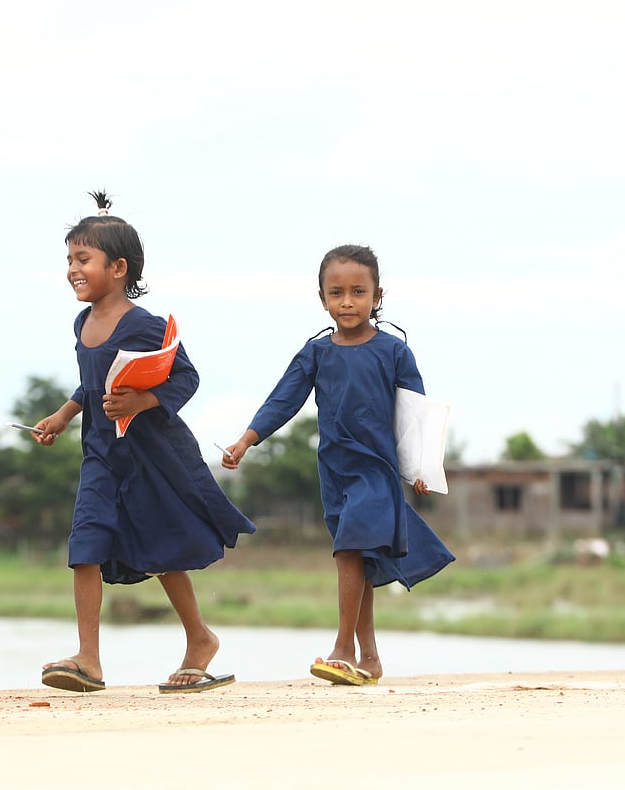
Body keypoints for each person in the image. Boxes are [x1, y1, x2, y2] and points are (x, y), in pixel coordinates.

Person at [31, 190, 255, 694]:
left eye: (83, 258)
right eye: (69, 259)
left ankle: (201, 638)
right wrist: (65, 416)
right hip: (100, 456)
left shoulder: (146, 325)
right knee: (84, 545)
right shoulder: (82, 323)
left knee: (160, 550)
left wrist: (141, 403)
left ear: (119, 267)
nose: (72, 268)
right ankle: (88, 658)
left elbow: (186, 378)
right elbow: (91, 385)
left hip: (150, 456)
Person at [221, 244, 454, 686]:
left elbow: (415, 414)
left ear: (377, 296)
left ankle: (342, 648)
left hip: (376, 472)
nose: (347, 302)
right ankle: (370, 658)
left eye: (358, 292)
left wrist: (422, 469)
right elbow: (283, 400)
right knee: (359, 560)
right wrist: (246, 441)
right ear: (322, 298)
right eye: (337, 293)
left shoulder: (394, 351)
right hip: (334, 470)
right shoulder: (316, 354)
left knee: (349, 550)